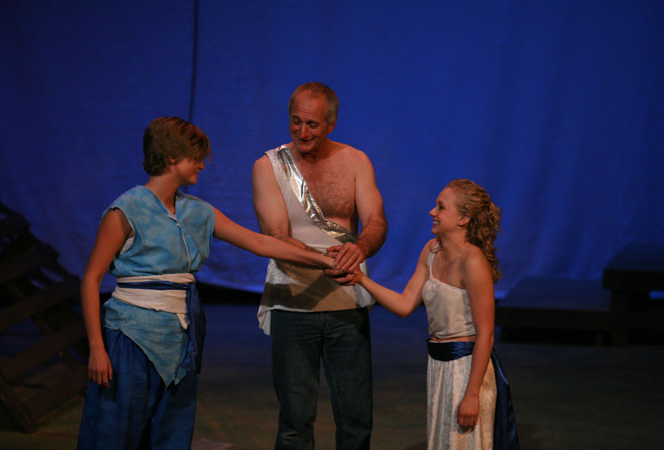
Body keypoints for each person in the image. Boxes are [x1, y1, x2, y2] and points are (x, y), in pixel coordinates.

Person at [77, 116, 341, 450]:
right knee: (116, 431)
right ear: (171, 157)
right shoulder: (126, 210)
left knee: (171, 431)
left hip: (179, 337)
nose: (202, 165)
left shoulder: (198, 212)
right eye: (195, 157)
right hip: (130, 336)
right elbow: (91, 278)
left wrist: (323, 260)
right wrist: (97, 349)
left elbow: (259, 243)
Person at [251, 82, 387, 449]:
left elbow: (376, 221)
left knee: (356, 417)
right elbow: (275, 235)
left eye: (312, 124)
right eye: (295, 121)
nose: (303, 132)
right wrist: (325, 260)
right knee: (295, 421)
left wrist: (360, 247)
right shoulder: (268, 166)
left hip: (347, 301)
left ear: (331, 123)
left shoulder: (355, 161)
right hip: (292, 303)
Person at [350, 179, 519, 449]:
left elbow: (486, 334)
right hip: (439, 366)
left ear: (463, 218)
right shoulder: (432, 250)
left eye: (441, 207)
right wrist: (360, 279)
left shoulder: (473, 261)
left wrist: (472, 394)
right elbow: (405, 304)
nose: (432, 212)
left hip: (466, 369)